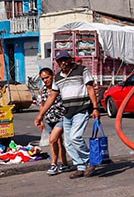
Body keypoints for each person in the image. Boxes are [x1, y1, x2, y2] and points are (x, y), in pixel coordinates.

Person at [35, 50, 101, 178]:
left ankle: (91, 160)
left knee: (75, 137)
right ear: (57, 63)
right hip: (67, 113)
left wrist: (95, 107)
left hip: (81, 109)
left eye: (65, 59)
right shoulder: (58, 77)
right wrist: (40, 115)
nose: (63, 63)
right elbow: (51, 97)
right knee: (69, 143)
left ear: (70, 59)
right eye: (60, 61)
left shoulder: (82, 70)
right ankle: (80, 166)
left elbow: (90, 89)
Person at [37, 67, 71, 176]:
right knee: (58, 142)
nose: (45, 80)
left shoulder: (58, 87)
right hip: (49, 119)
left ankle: (54, 164)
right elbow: (42, 105)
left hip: (61, 118)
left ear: (52, 76)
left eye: (47, 77)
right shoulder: (42, 90)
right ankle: (65, 164)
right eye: (43, 79)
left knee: (52, 140)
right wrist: (41, 119)